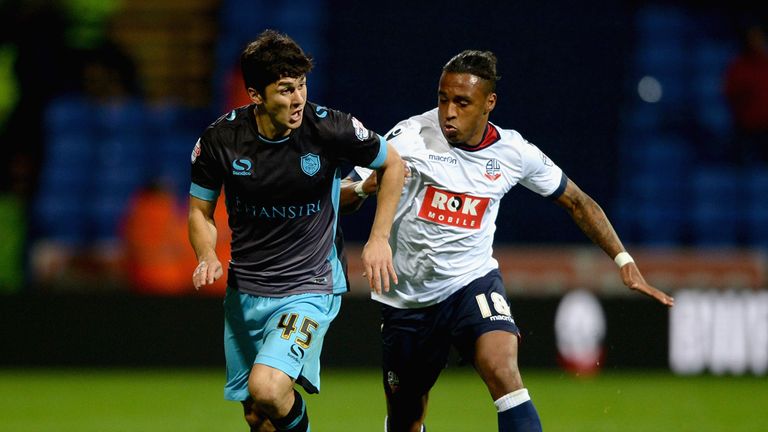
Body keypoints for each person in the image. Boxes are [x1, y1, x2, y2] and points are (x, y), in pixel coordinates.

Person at [341, 50, 675, 432]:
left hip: (472, 284)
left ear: (489, 103)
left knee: (504, 372)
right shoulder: (410, 136)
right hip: (408, 299)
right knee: (406, 419)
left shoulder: (514, 152)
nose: (448, 111)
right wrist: (368, 186)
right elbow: (341, 195)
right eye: (442, 98)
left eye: (462, 102)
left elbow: (578, 202)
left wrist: (623, 261)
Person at [188, 29, 404, 432]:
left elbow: (394, 164)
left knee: (268, 388)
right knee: (257, 412)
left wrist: (378, 239)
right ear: (255, 95)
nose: (298, 98)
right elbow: (200, 212)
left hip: (309, 286)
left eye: (301, 85)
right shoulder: (220, 141)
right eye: (286, 89)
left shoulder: (329, 128)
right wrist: (205, 255)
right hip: (246, 291)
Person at [723, 22, 768, 166]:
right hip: (747, 130)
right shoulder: (737, 67)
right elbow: (730, 94)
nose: (756, 42)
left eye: (759, 38)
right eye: (752, 38)